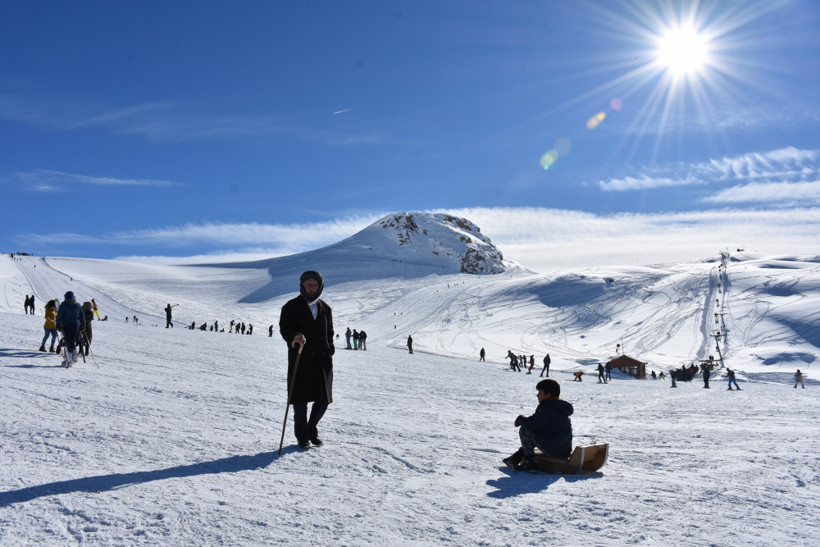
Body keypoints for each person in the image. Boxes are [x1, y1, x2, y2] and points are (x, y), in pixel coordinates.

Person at [279, 271, 335, 449]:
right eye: (308, 284)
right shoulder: (291, 306)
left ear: (320, 286)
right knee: (300, 400)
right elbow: (284, 327)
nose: (311, 287)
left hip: (322, 360)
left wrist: (330, 348)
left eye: (315, 284)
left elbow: (330, 332)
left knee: (324, 398)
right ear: (302, 285)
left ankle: (312, 430)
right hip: (301, 359)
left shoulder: (325, 308)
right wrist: (294, 335)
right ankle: (302, 436)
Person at [503, 379, 573, 472]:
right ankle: (516, 457)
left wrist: (520, 419)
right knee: (537, 431)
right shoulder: (559, 406)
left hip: (554, 450)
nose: (537, 395)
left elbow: (532, 424)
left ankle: (530, 462)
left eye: (540, 392)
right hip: (564, 449)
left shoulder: (547, 406)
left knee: (525, 429)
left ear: (548, 395)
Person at [56, 291, 86, 366]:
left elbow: (59, 315)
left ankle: (68, 360)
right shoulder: (77, 305)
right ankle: (74, 356)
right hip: (76, 325)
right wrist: (83, 324)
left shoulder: (64, 304)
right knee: (73, 340)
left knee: (67, 341)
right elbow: (82, 315)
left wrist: (58, 324)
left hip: (66, 325)